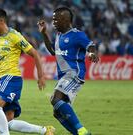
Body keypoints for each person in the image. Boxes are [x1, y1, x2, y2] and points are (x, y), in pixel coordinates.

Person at [0, 8, 54, 135]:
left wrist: (41, 76)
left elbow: (35, 54)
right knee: (8, 122)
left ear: (1, 21)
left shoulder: (14, 36)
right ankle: (45, 131)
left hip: (11, 78)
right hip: (2, 79)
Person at [38, 7, 99, 135]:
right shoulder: (59, 35)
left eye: (56, 19)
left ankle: (81, 129)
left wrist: (92, 53)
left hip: (74, 74)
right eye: (53, 19)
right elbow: (53, 52)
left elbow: (90, 46)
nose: (53, 22)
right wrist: (44, 33)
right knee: (57, 112)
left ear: (66, 20)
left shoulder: (77, 35)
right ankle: (81, 133)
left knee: (55, 99)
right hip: (64, 76)